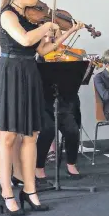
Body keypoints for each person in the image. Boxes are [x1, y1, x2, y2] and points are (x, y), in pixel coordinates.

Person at [0, 0, 84, 216]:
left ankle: (30, 190)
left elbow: (44, 48)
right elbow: (23, 39)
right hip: (10, 73)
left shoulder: (31, 18)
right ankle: (7, 193)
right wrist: (48, 25)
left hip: (29, 73)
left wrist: (67, 32)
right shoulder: (8, 14)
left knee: (30, 136)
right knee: (7, 138)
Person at [35, 30, 83, 181]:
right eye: (46, 37)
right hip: (42, 102)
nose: (49, 40)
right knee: (47, 131)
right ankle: (39, 168)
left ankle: (71, 164)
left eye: (52, 38)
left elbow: (73, 83)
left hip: (62, 101)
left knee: (73, 130)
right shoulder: (35, 60)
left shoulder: (64, 57)